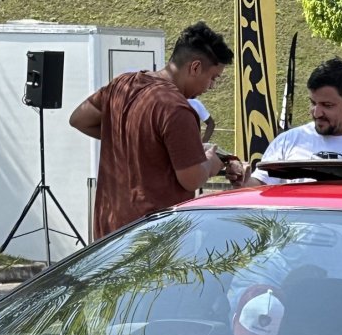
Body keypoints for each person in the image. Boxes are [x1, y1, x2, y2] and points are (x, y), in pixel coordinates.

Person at [69, 21, 246, 237]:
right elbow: (191, 178)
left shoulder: (122, 85)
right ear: (195, 67)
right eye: (213, 78)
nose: (211, 87)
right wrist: (210, 163)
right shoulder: (176, 108)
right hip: (154, 239)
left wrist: (127, 137)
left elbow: (80, 119)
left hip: (108, 235)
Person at [251, 58, 342, 183]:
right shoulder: (286, 143)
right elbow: (259, 188)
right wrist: (242, 180)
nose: (317, 112)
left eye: (327, 105)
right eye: (313, 103)